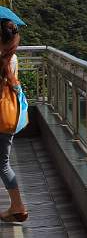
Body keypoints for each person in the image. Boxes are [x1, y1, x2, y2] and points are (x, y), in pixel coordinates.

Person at [0, 19, 27, 223]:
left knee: (2, 164)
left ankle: (18, 205)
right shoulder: (12, 58)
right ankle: (17, 206)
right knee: (3, 163)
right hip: (7, 117)